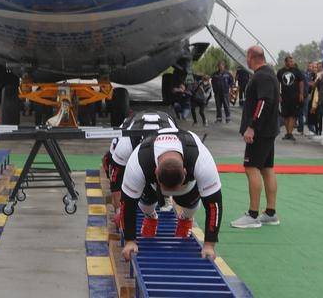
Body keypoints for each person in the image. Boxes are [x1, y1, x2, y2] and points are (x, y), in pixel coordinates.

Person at [120, 128, 223, 262]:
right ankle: (150, 215)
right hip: (153, 185)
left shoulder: (202, 161)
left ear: (185, 171)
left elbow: (214, 205)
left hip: (187, 186)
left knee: (190, 204)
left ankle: (186, 218)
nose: (170, 194)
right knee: (146, 204)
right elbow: (126, 204)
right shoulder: (138, 162)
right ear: (156, 171)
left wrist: (209, 244)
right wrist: (129, 241)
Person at [230, 46, 280, 229]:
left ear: (251, 57)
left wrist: (252, 126)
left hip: (260, 132)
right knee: (267, 168)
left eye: (247, 57)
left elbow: (263, 102)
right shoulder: (269, 74)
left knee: (251, 168)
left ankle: (252, 215)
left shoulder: (262, 76)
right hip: (268, 130)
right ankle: (270, 213)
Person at [105, 110, 177, 219]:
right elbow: (116, 186)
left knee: (172, 174)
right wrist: (120, 211)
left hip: (165, 127)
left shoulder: (174, 146)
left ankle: (163, 195)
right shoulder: (124, 147)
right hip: (132, 134)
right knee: (110, 166)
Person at [277, 56, 304, 141]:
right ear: (286, 62)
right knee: (285, 115)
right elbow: (277, 83)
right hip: (284, 97)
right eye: (290, 61)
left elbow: (301, 82)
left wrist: (301, 93)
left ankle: (290, 133)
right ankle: (287, 132)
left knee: (292, 115)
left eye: (292, 61)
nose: (292, 63)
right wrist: (278, 95)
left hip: (294, 97)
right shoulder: (280, 72)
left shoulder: (296, 71)